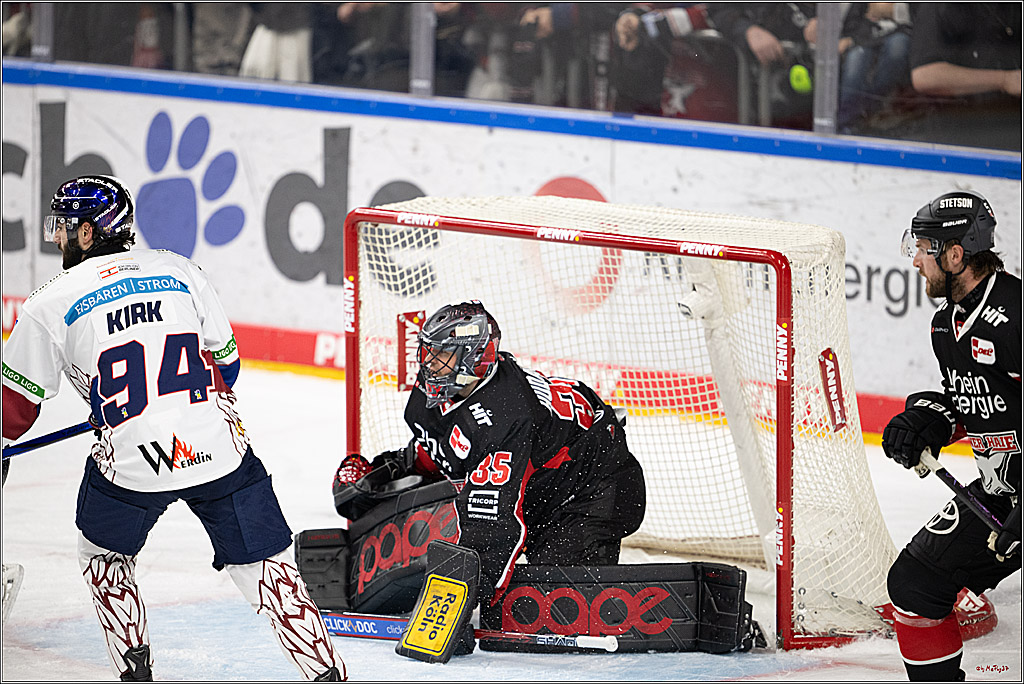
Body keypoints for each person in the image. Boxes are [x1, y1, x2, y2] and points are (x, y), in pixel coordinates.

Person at [0, 176, 345, 681]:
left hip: (133, 463)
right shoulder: (180, 269)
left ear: (90, 235)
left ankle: (134, 671)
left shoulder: (48, 303)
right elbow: (226, 370)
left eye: (65, 228)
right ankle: (326, 673)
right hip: (216, 448)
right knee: (268, 568)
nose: (58, 238)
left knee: (103, 552)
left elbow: (12, 413)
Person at [333, 300, 646, 611]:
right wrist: (384, 473)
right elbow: (441, 449)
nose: (428, 363)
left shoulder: (507, 416)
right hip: (545, 481)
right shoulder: (440, 386)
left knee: (548, 604)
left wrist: (459, 603)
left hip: (595, 490)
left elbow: (494, 523)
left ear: (473, 359)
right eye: (427, 352)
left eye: (441, 354)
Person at [882, 190, 1021, 681]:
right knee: (915, 585)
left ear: (955, 254)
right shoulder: (946, 325)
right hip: (1004, 493)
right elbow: (968, 402)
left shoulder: (1017, 316)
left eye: (924, 248)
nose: (916, 261)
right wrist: (930, 419)